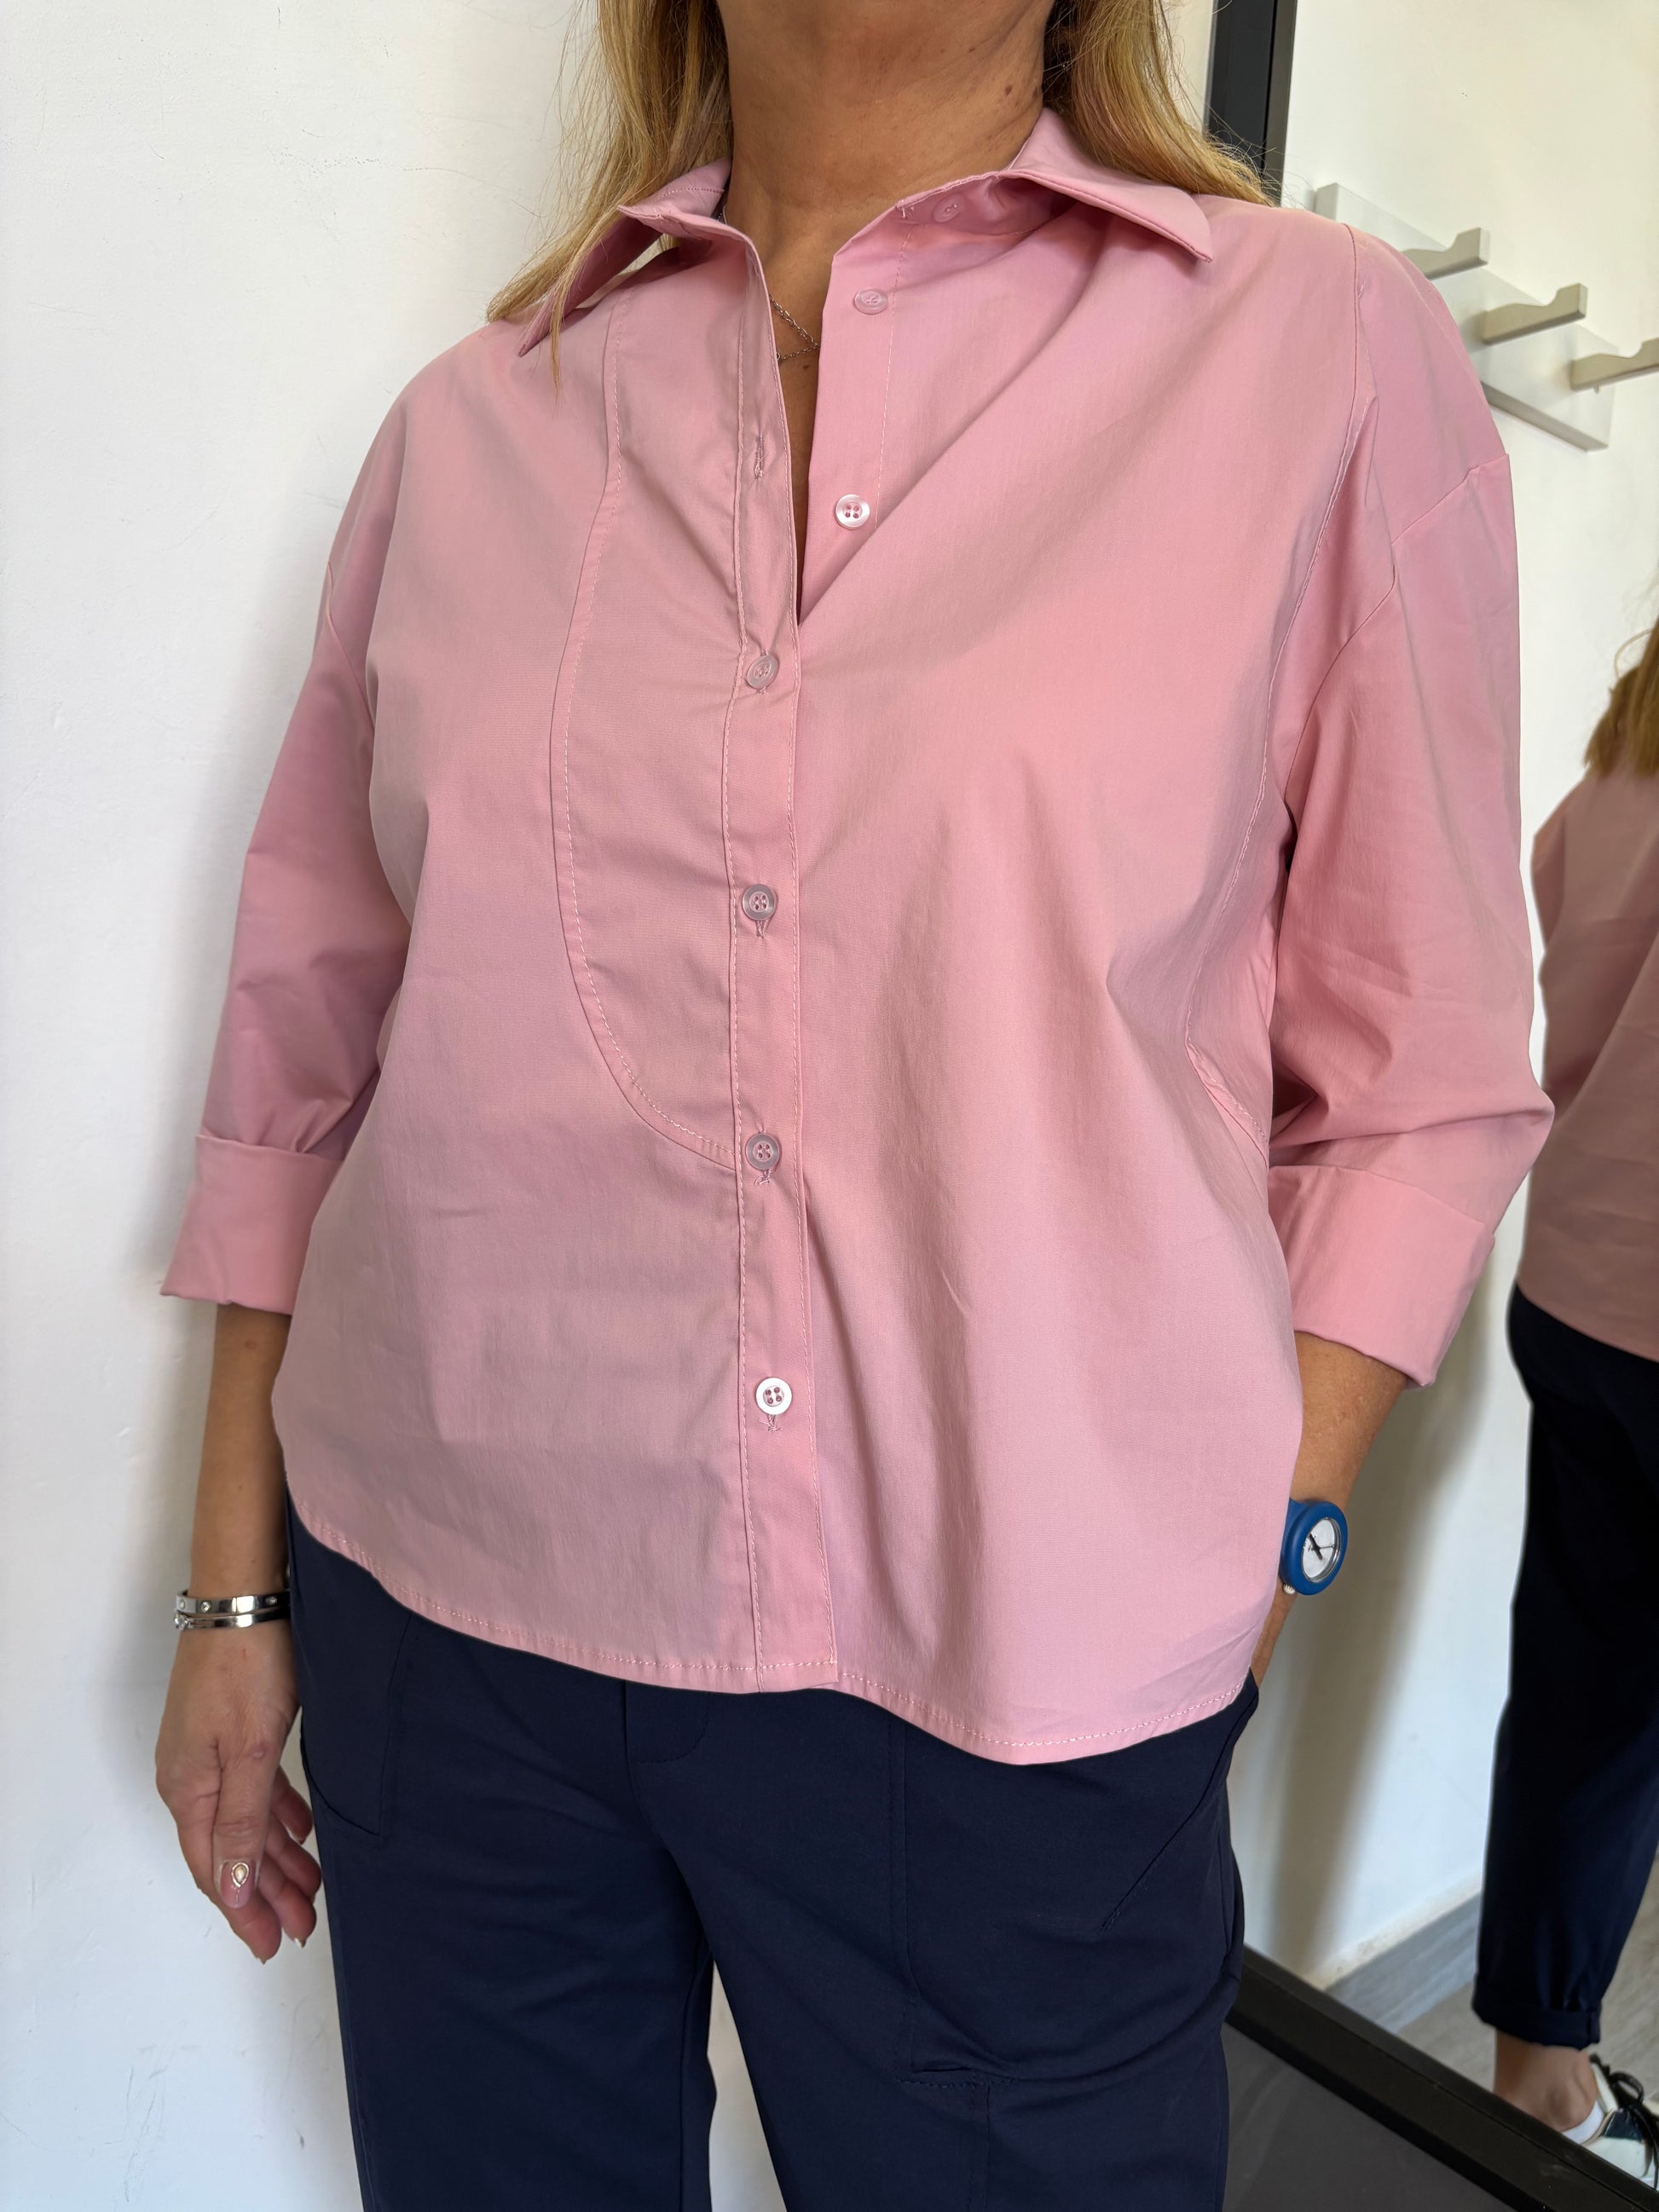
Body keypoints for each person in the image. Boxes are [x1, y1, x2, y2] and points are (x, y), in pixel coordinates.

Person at [153, 1, 1549, 2203]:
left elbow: (1420, 1076)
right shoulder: (474, 424)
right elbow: (309, 1047)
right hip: (447, 1618)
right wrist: (232, 1598)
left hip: (1015, 1677)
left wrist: (1260, 1539)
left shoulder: (1315, 352)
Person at [1477, 613, 1659, 2188]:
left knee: (1585, 1701)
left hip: (1590, 1291)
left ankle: (1541, 2079)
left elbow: (1580, 1023)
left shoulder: (1621, 766)